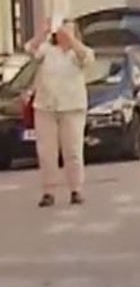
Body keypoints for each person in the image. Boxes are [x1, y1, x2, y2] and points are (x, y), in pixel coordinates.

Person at [29, 17, 92, 207]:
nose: (63, 34)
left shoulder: (79, 53)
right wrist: (42, 33)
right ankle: (48, 191)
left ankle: (76, 189)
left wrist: (72, 41)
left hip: (72, 108)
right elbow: (30, 50)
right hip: (45, 107)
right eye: (62, 30)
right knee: (47, 152)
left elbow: (86, 58)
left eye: (68, 30)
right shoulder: (48, 51)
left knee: (72, 151)